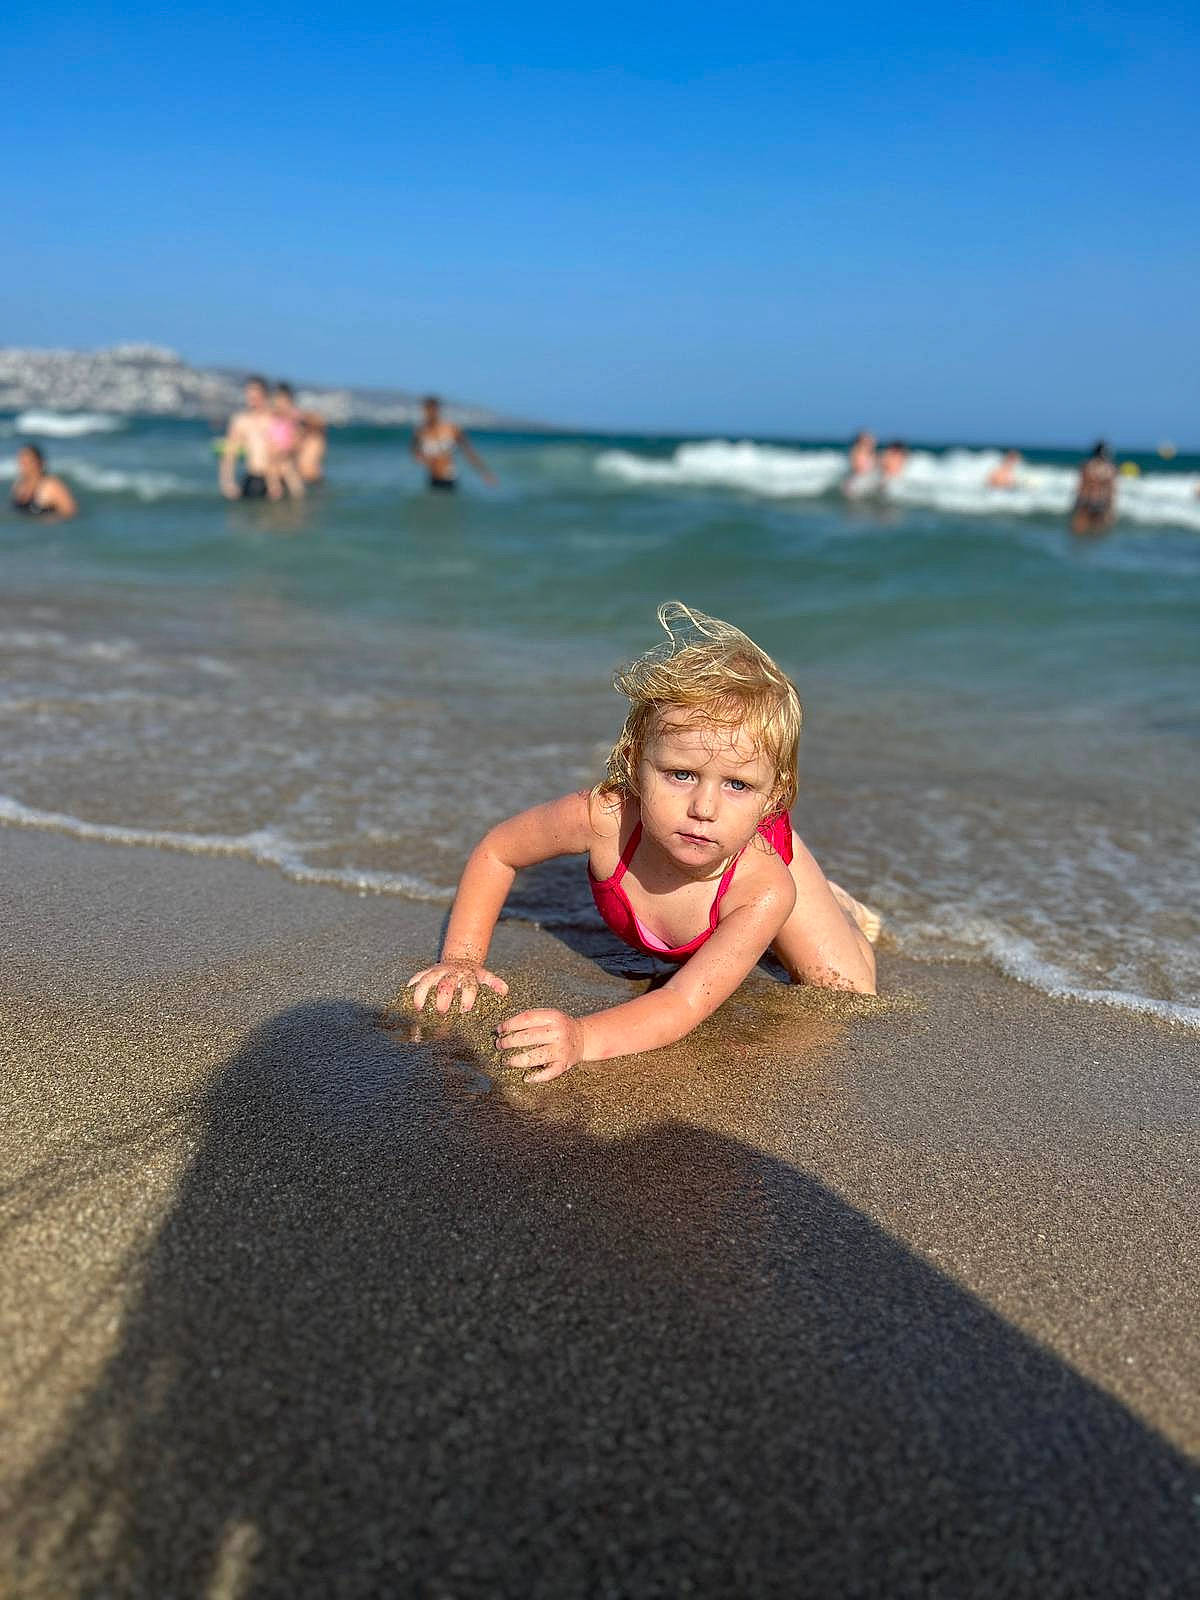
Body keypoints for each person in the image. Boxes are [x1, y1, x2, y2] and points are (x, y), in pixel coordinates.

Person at [407, 603, 880, 1083]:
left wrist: (583, 1038)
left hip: (755, 854)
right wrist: (461, 959)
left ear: (772, 797)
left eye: (737, 784)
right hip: (732, 841)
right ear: (635, 765)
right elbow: (498, 851)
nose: (704, 807)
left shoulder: (765, 888)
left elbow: (683, 1001)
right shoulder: (605, 817)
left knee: (845, 991)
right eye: (681, 774)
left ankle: (835, 903)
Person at [411, 395, 496, 490]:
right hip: (432, 478)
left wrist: (485, 473)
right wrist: (424, 460)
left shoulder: (452, 429)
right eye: (426, 410)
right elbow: (414, 452)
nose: (429, 414)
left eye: (431, 410)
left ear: (437, 410)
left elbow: (469, 453)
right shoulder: (421, 431)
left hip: (450, 477)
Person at [218, 376, 279, 500]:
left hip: (275, 478)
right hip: (252, 476)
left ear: (264, 395)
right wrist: (227, 482)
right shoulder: (241, 421)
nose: (251, 398)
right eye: (248, 393)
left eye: (255, 394)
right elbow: (230, 453)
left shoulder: (274, 419)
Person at [10, 443, 77, 519]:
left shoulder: (51, 485)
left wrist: (51, 520)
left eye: (27, 462)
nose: (23, 466)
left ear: (39, 462)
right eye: (21, 461)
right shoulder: (19, 485)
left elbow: (70, 512)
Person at [266, 383, 307, 500]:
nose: (280, 404)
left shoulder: (294, 417)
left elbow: (298, 439)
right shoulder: (273, 418)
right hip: (274, 458)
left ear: (290, 401)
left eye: (284, 401)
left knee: (288, 470)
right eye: (277, 400)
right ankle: (275, 491)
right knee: (273, 471)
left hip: (286, 457)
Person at [1071, 441, 1117, 535]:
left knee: (1078, 533)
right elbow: (1112, 490)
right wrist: (1111, 508)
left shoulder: (1087, 465)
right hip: (1102, 502)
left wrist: (1076, 503)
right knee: (1097, 534)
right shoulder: (1110, 468)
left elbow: (1080, 486)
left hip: (1085, 500)